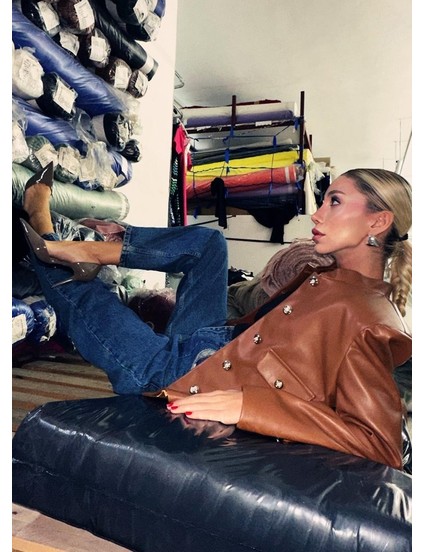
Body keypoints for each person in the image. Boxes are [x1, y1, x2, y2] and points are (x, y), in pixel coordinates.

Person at [19, 163, 412, 470]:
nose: (317, 214)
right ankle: (95, 251)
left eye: (335, 202)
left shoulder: (371, 321)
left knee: (87, 299)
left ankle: (42, 223)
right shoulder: (335, 277)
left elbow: (380, 443)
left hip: (183, 377)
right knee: (209, 243)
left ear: (378, 221)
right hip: (216, 347)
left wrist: (248, 405)